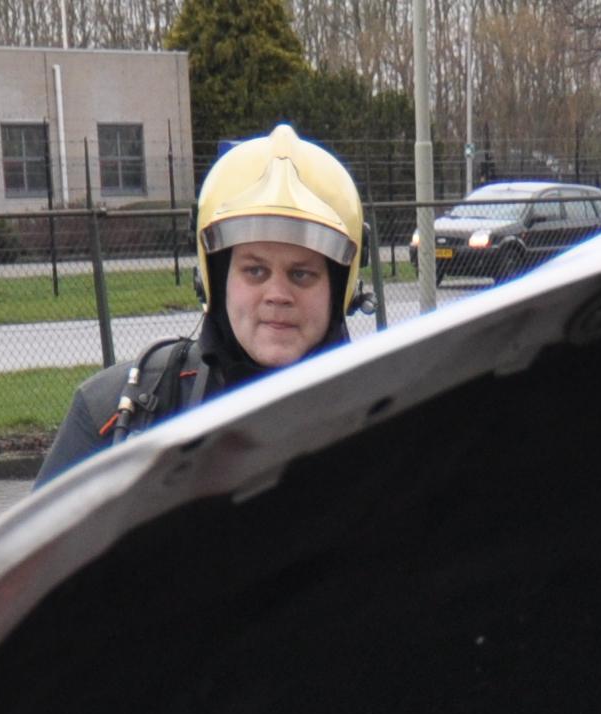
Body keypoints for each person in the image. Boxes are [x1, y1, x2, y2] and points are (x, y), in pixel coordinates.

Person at [39, 127, 365, 483]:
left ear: (340, 287)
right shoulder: (111, 413)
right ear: (216, 278)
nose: (277, 294)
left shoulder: (393, 425)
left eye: (301, 274)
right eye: (255, 271)